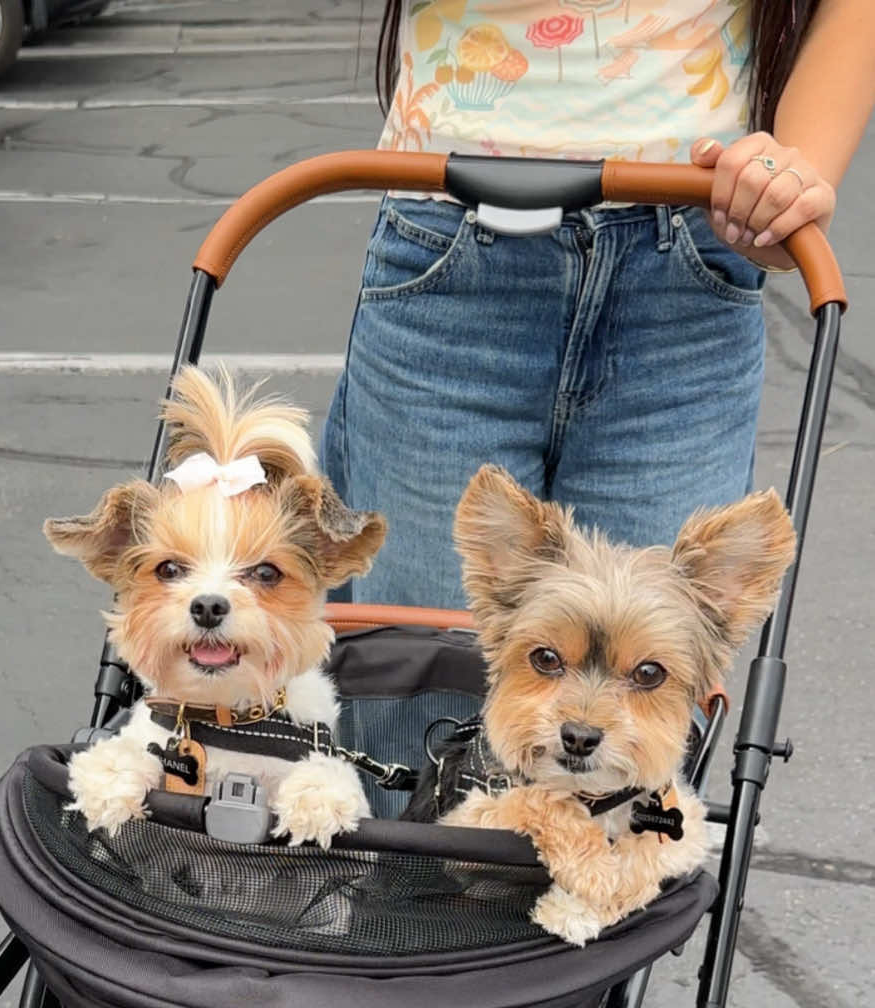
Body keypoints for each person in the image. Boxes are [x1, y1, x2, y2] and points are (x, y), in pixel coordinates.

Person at [321, 1, 874, 607]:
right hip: (451, 231)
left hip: (687, 263)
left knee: (648, 673)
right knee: (422, 675)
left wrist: (790, 185)